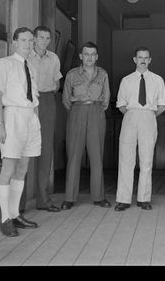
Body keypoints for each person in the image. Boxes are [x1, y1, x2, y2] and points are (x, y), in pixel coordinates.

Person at [0, 27, 41, 237]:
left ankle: (15, 214)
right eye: (24, 40)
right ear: (14, 42)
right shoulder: (4, 63)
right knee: (9, 168)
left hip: (30, 117)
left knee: (22, 168)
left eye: (31, 41)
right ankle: (4, 219)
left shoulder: (30, 66)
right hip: (11, 117)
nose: (28, 44)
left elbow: (34, 97)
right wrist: (0, 125)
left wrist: (36, 121)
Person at [114, 46, 165, 211]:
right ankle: (123, 199)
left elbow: (163, 105)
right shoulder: (126, 80)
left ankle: (144, 198)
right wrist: (133, 114)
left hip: (149, 116)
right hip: (130, 116)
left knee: (146, 159)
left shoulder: (158, 80)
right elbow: (121, 104)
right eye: (140, 57)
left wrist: (148, 116)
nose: (143, 60)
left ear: (150, 60)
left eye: (146, 58)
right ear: (135, 59)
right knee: (126, 158)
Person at [61, 42, 111, 210]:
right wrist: (79, 109)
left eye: (93, 54)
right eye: (86, 54)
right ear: (81, 56)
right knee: (74, 155)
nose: (89, 57)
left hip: (97, 111)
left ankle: (99, 197)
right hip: (77, 112)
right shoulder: (72, 74)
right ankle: (69, 197)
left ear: (96, 57)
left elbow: (106, 100)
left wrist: (94, 108)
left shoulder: (102, 74)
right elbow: (66, 100)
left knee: (97, 156)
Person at [19, 26, 62, 214]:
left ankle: (43, 200)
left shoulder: (54, 58)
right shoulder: (25, 57)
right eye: (41, 37)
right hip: (27, 102)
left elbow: (56, 83)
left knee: (45, 151)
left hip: (46, 101)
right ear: (34, 39)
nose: (44, 41)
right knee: (23, 150)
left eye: (48, 38)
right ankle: (18, 206)